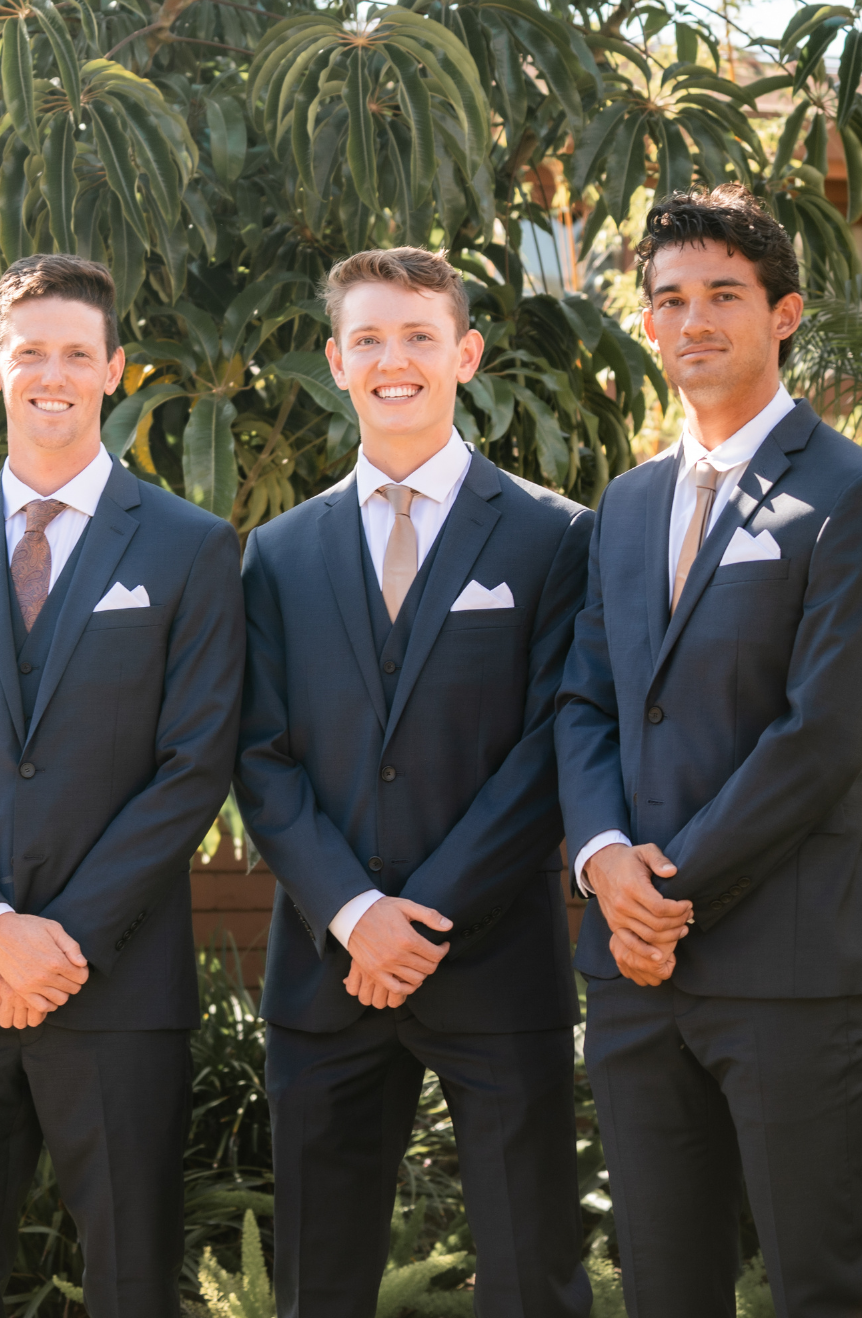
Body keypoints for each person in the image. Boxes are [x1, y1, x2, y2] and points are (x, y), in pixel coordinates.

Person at [0, 253, 244, 1318]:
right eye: (32, 352)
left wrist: (59, 938)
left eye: (79, 353)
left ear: (116, 369)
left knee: (130, 1284)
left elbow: (191, 764)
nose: (54, 374)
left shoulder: (191, 547)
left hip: (112, 985)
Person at [556, 184, 862, 1317]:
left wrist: (666, 892)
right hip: (630, 969)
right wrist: (604, 859)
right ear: (648, 323)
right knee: (663, 1284)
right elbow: (584, 704)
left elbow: (815, 738)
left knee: (816, 1281)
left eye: (723, 293)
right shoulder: (623, 504)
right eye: (669, 299)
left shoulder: (851, 497)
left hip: (785, 963)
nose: (693, 320)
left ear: (784, 313)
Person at [235, 247, 595, 1318]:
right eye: (370, 339)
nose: (394, 359)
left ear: (464, 354)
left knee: (533, 1277)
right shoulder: (277, 554)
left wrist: (419, 915)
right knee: (318, 1285)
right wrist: (353, 914)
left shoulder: (551, 536)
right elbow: (256, 754)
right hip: (323, 972)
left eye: (418, 337)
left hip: (495, 966)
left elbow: (548, 746)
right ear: (336, 364)